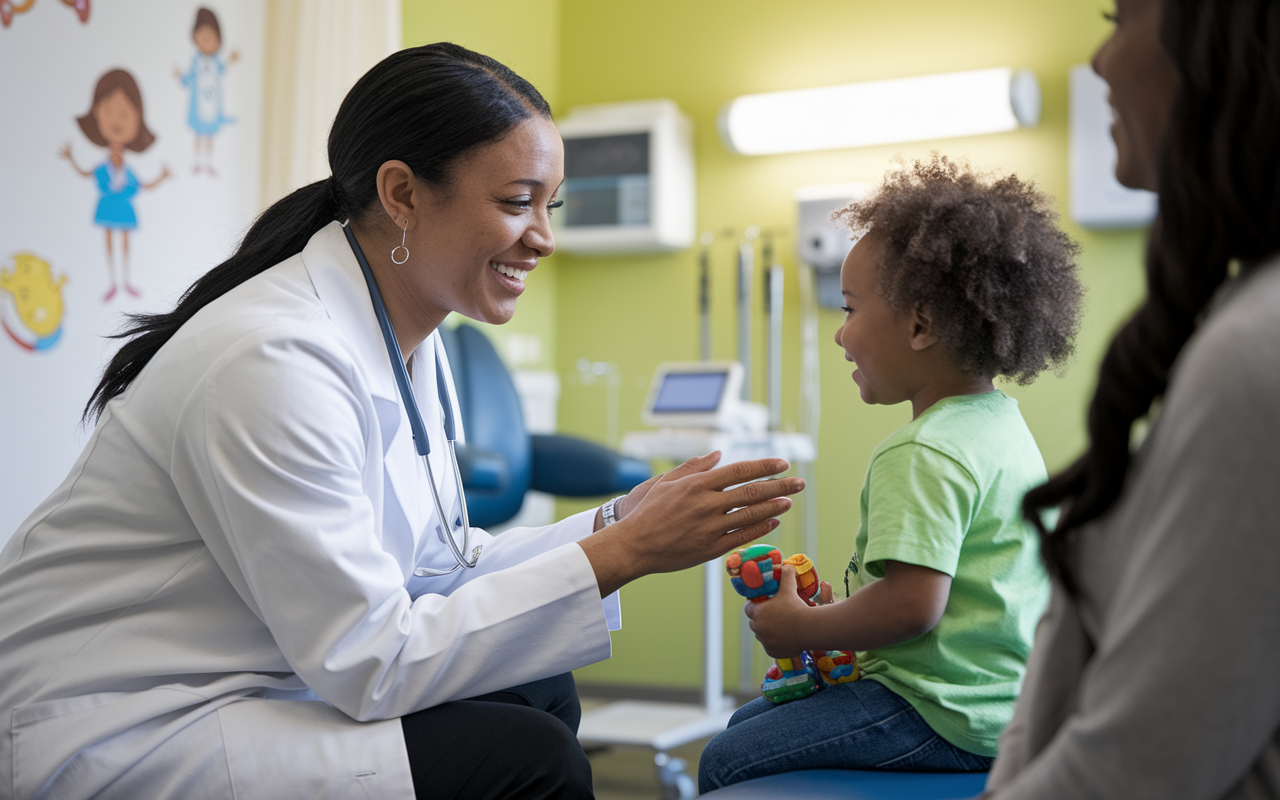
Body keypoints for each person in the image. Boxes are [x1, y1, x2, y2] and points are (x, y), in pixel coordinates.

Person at [0, 44, 805, 800]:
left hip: (258, 674)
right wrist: (623, 553)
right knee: (532, 760)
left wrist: (619, 522)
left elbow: (433, 567)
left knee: (537, 680)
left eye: (549, 205)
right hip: (122, 718)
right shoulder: (271, 358)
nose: (545, 238)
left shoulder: (407, 340)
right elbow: (369, 659)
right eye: (517, 202)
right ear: (402, 194)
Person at [698, 156, 1083, 793]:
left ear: (921, 324)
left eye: (849, 309)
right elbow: (955, 597)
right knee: (748, 721)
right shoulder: (999, 425)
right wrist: (840, 609)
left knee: (727, 760)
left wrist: (802, 628)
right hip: (1002, 709)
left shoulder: (923, 450)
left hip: (938, 713)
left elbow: (912, 607)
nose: (841, 336)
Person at [984, 1, 1280, 796]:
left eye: (1123, 18)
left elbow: (1143, 765)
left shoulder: (1256, 355)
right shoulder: (1239, 319)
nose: (1101, 62)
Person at [58, 68, 172, 302]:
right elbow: (86, 173)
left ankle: (126, 280)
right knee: (110, 241)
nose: (116, 120)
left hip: (123, 207)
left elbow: (142, 185)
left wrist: (161, 177)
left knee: (125, 242)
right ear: (96, 113)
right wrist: (71, 158)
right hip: (108, 206)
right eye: (108, 109)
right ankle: (113, 281)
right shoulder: (103, 167)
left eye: (124, 113)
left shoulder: (127, 171)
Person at [175, 6, 238, 175]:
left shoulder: (215, 62)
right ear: (195, 37)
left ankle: (207, 163)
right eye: (203, 36)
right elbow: (189, 78)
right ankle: (197, 162)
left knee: (209, 134)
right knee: (199, 133)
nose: (207, 41)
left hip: (211, 103)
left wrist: (231, 60)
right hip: (199, 104)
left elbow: (221, 70)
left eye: (211, 37)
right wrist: (179, 77)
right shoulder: (196, 62)